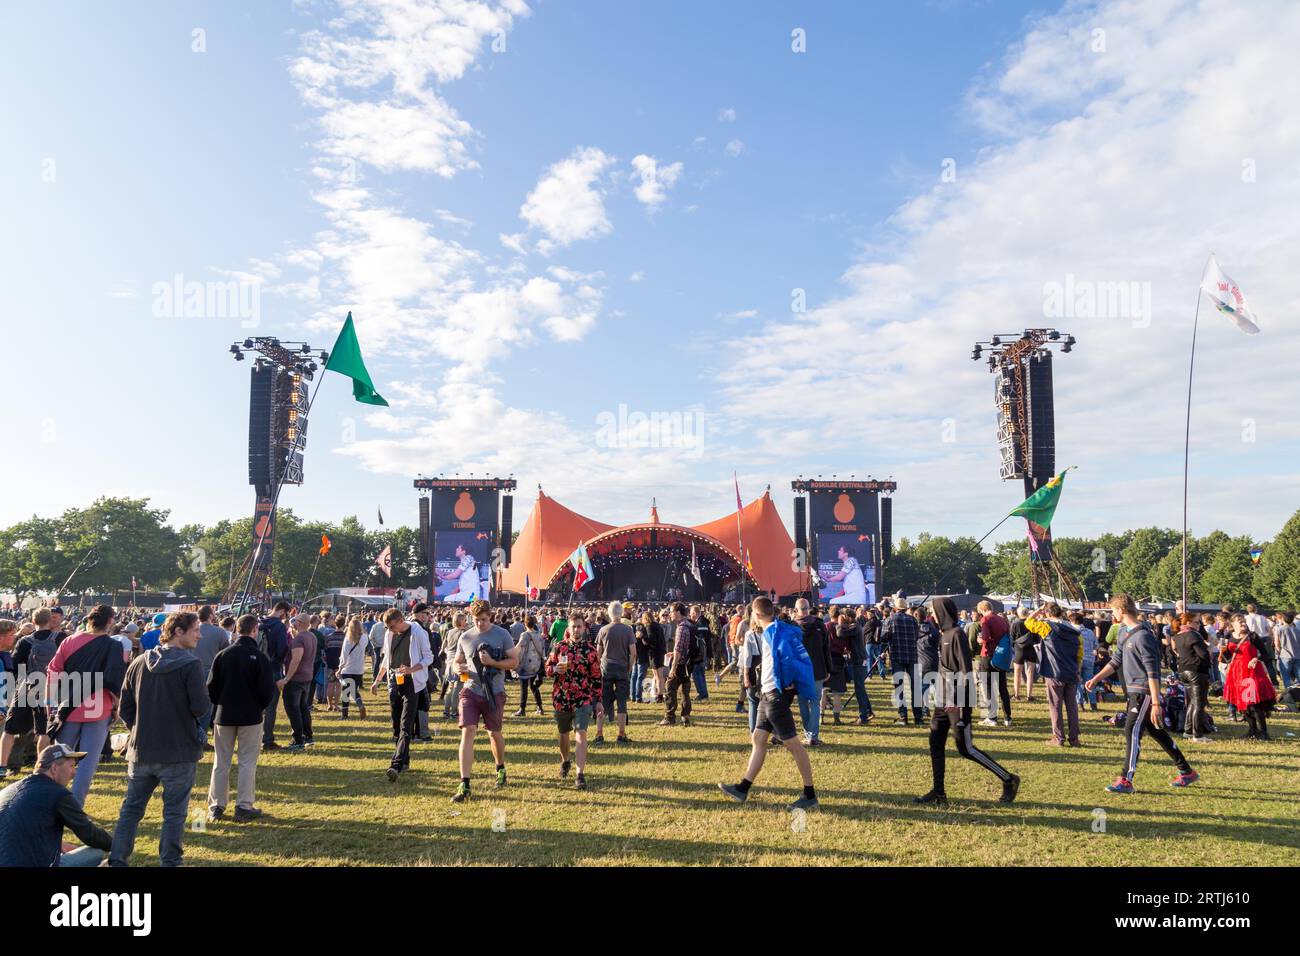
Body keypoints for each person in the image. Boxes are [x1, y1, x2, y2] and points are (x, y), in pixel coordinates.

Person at [109, 611, 210, 867]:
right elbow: (200, 707)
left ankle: (118, 859)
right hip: (178, 751)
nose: (200, 634)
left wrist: (140, 729)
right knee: (174, 813)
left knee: (131, 809)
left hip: (142, 750)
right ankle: (170, 861)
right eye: (196, 629)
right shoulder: (190, 664)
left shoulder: (139, 662)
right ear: (179, 631)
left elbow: (125, 709)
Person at [1084, 594, 1197, 794]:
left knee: (1131, 730)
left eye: (1114, 610)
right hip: (1133, 691)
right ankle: (1186, 771)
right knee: (1156, 731)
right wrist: (1096, 678)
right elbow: (1116, 660)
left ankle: (1126, 780)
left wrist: (1155, 703)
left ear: (1122, 610)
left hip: (1143, 692)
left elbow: (1152, 671)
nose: (1113, 614)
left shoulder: (1144, 636)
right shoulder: (1123, 633)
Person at [913, 598, 1020, 806]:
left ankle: (1009, 779)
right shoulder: (944, 634)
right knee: (935, 743)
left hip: (957, 702)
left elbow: (965, 672)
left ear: (942, 613)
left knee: (966, 748)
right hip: (943, 701)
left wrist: (964, 710)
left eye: (934, 612)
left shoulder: (957, 634)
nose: (932, 616)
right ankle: (938, 792)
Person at [718, 597, 819, 811]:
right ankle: (743, 788)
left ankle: (809, 794)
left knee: (793, 744)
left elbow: (788, 659)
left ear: (756, 614)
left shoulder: (773, 632)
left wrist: (788, 682)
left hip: (776, 695)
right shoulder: (775, 629)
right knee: (758, 737)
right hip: (767, 694)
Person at [45, 604, 130, 805]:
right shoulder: (113, 646)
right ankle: (75, 806)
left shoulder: (69, 641)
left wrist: (49, 705)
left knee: (59, 761)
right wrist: (116, 706)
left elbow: (53, 673)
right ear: (110, 621)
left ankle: (51, 803)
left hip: (69, 707)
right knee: (87, 764)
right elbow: (114, 680)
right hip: (99, 708)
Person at [205, 613, 275, 823]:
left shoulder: (223, 655)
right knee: (247, 761)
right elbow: (266, 690)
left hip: (224, 714)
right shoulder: (260, 657)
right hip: (250, 715)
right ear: (254, 630)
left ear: (236, 629)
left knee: (221, 761)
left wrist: (220, 703)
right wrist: (259, 706)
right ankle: (243, 805)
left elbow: (211, 686)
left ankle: (216, 805)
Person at [0, 744, 114, 867]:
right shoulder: (58, 794)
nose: (74, 772)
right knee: (97, 851)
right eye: (71, 766)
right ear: (54, 768)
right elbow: (91, 835)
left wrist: (58, 844)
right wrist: (119, 844)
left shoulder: (9, 790)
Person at [450, 599, 518, 802]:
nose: (480, 624)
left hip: (494, 692)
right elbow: (457, 660)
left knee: (494, 733)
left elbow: (514, 662)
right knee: (468, 730)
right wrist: (457, 668)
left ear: (491, 616)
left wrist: (494, 662)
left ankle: (500, 767)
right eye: (476, 620)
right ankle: (465, 783)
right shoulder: (465, 636)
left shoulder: (502, 634)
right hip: (470, 690)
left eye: (484, 620)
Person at [372, 607, 434, 782]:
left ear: (400, 621)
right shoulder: (389, 634)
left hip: (412, 682)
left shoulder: (418, 632)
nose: (390, 630)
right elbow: (386, 659)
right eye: (388, 628)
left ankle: (396, 765)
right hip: (394, 680)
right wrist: (377, 680)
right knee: (396, 726)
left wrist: (411, 669)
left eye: (392, 627)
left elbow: (428, 657)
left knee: (406, 725)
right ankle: (404, 760)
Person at [545, 613, 601, 790]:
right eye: (573, 627)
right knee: (563, 733)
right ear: (568, 628)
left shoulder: (590, 650)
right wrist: (555, 669)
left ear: (584, 628)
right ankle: (565, 761)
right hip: (561, 697)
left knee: (581, 732)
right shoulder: (559, 647)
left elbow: (597, 677)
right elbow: (547, 669)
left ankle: (580, 774)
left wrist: (598, 700)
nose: (576, 630)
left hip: (582, 698)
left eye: (579, 626)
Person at [0, 608, 59, 773]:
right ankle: (41, 768)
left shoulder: (25, 641)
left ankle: (2, 766)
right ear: (50, 621)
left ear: (33, 622)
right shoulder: (60, 638)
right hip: (50, 688)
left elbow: (15, 666)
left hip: (26, 687)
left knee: (10, 730)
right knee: (43, 731)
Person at [1023, 604, 1082, 747]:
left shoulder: (1046, 627)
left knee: (1055, 706)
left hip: (1054, 672)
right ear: (1061, 613)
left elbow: (1027, 622)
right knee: (1072, 706)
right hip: (1072, 671)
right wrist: (1077, 671)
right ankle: (1074, 739)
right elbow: (1080, 655)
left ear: (1048, 613)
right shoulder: (1075, 631)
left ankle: (1058, 737)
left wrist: (1038, 611)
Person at [1222, 614, 1277, 740]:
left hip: (1251, 673)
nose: (1243, 623)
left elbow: (1266, 653)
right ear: (1233, 624)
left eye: (1243, 621)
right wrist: (1223, 652)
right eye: (1239, 621)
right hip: (1236, 674)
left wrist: (1255, 658)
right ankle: (1252, 730)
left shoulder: (1252, 636)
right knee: (1242, 704)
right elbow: (1228, 658)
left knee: (1254, 703)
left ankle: (1263, 732)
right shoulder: (1229, 637)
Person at [595, 601, 636, 744]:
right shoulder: (628, 630)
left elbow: (598, 653)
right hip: (621, 667)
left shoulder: (603, 630)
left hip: (606, 667)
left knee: (602, 701)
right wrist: (629, 667)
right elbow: (633, 652)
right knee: (622, 702)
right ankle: (621, 734)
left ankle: (599, 734)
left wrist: (600, 665)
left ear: (609, 613)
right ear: (621, 613)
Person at [792, 598, 832, 745]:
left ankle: (809, 734)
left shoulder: (793, 627)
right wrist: (828, 668)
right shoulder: (820, 626)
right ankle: (812, 736)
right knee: (814, 702)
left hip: (801, 671)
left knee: (803, 702)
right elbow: (826, 649)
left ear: (796, 610)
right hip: (817, 669)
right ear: (809, 608)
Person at [881, 597, 924, 724]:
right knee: (915, 687)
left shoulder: (890, 619)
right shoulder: (913, 620)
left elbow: (883, 638)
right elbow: (917, 636)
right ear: (905, 608)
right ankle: (918, 717)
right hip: (912, 655)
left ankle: (903, 716)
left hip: (897, 656)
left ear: (895, 608)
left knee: (899, 687)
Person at [1172, 612, 1211, 740]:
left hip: (1183, 670)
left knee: (1192, 702)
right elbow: (1203, 654)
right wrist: (1208, 651)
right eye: (1196, 622)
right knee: (1199, 703)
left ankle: (1188, 730)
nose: (1199, 625)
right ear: (1188, 623)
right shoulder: (1193, 635)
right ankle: (1197, 734)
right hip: (1196, 670)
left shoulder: (1177, 636)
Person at [281, 615, 317, 753]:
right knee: (303, 707)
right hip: (307, 675)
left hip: (296, 678)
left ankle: (297, 739)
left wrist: (286, 678)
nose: (293, 623)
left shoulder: (299, 639)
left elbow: (296, 659)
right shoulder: (311, 636)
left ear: (300, 623)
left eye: (295, 621)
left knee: (293, 708)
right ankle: (308, 736)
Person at [194, 606, 230, 746]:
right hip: (209, 671)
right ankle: (201, 738)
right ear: (210, 616)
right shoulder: (219, 632)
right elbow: (225, 653)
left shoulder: (192, 630)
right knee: (206, 707)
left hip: (189, 668)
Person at [258, 602, 291, 751]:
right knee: (271, 707)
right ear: (283, 611)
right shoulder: (279, 626)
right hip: (273, 668)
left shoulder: (259, 623)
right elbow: (282, 648)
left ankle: (253, 737)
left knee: (257, 706)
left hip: (257, 667)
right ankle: (267, 739)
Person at [974, 601, 1013, 728]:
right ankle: (1008, 717)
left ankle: (992, 717)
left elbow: (985, 638)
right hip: (1000, 656)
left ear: (982, 609)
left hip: (988, 655)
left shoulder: (986, 619)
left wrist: (979, 639)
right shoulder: (1002, 619)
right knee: (1003, 687)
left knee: (988, 686)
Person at [660, 603, 694, 727]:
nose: (670, 613)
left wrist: (672, 668)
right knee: (685, 690)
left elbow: (679, 649)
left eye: (672, 611)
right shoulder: (690, 625)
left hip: (680, 664)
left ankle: (669, 717)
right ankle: (686, 716)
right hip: (689, 664)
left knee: (670, 688)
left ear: (678, 612)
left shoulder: (681, 628)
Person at [512, 616, 547, 717]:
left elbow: (518, 648)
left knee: (524, 688)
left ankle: (522, 709)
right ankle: (540, 708)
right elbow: (543, 650)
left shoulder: (525, 635)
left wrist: (510, 655)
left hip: (526, 665)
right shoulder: (539, 635)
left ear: (525, 624)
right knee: (534, 687)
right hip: (536, 665)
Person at [337, 616, 369, 719]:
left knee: (346, 692)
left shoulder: (348, 639)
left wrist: (340, 668)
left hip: (348, 669)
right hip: (359, 669)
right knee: (353, 689)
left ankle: (344, 714)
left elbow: (344, 655)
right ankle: (359, 704)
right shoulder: (364, 638)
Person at [1011, 608, 1037, 702]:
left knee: (1017, 673)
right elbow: (1037, 638)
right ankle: (1029, 696)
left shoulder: (1015, 623)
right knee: (1030, 673)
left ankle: (1017, 695)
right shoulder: (1032, 622)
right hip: (1031, 649)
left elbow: (1012, 637)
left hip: (1019, 649)